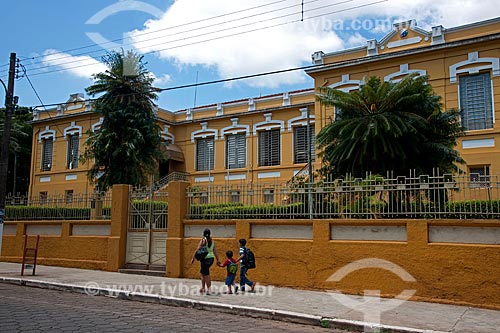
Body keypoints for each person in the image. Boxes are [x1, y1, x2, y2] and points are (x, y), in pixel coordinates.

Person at [191, 228, 220, 295]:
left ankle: (209, 289)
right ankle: (203, 287)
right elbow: (215, 251)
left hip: (205, 259)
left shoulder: (203, 240)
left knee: (206, 274)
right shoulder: (212, 241)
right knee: (202, 272)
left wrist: (193, 258)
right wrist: (218, 260)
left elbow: (197, 249)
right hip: (211, 258)